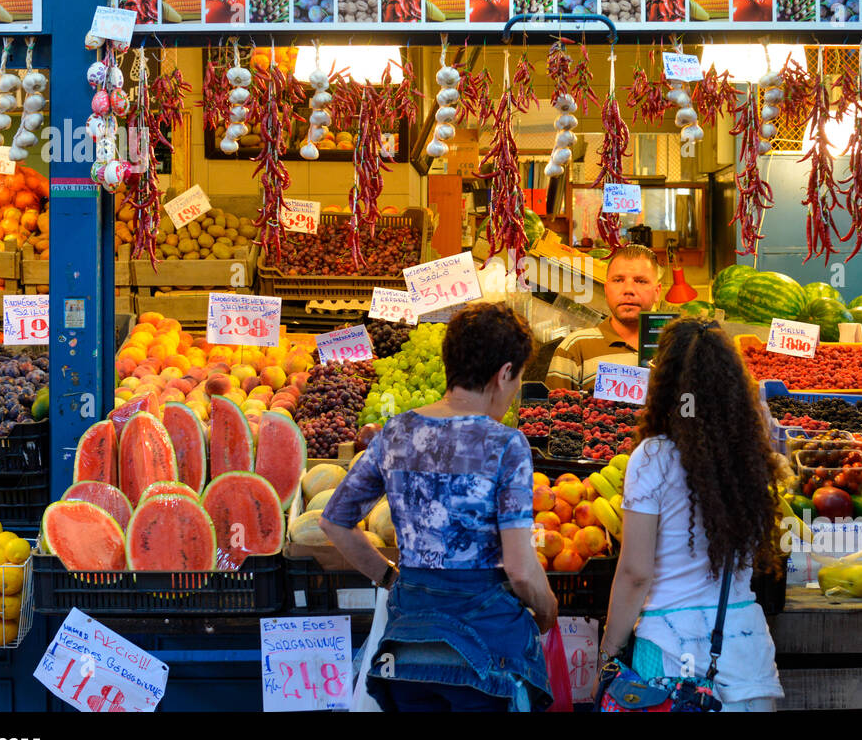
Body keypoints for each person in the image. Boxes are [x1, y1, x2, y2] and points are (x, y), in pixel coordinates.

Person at [320, 303, 559, 712]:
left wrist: (390, 577)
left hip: (408, 649)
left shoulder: (396, 432)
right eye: (517, 378)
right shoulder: (505, 445)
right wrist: (547, 609)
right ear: (504, 374)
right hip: (483, 656)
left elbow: (335, 521)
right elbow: (521, 569)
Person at [599, 318, 785, 711]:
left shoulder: (653, 458)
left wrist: (610, 651)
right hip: (747, 656)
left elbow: (635, 573)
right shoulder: (751, 459)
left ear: (664, 383)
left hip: (670, 654)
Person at [545, 244, 661, 391]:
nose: (629, 290)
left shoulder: (678, 349)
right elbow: (554, 411)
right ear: (606, 290)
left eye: (640, 281)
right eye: (618, 280)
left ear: (657, 292)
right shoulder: (574, 349)